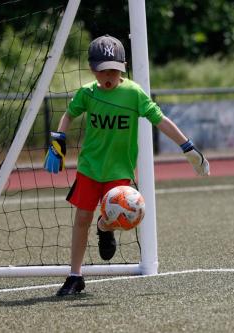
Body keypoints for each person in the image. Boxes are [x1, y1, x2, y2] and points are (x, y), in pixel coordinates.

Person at [44, 34, 210, 296]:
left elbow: (160, 119)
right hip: (89, 167)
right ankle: (75, 276)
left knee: (116, 216)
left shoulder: (133, 93)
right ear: (92, 69)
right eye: (102, 71)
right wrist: (58, 142)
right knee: (82, 218)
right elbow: (69, 114)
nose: (108, 76)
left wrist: (186, 146)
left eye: (114, 70)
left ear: (123, 67)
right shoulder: (87, 93)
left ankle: (104, 228)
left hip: (120, 169)